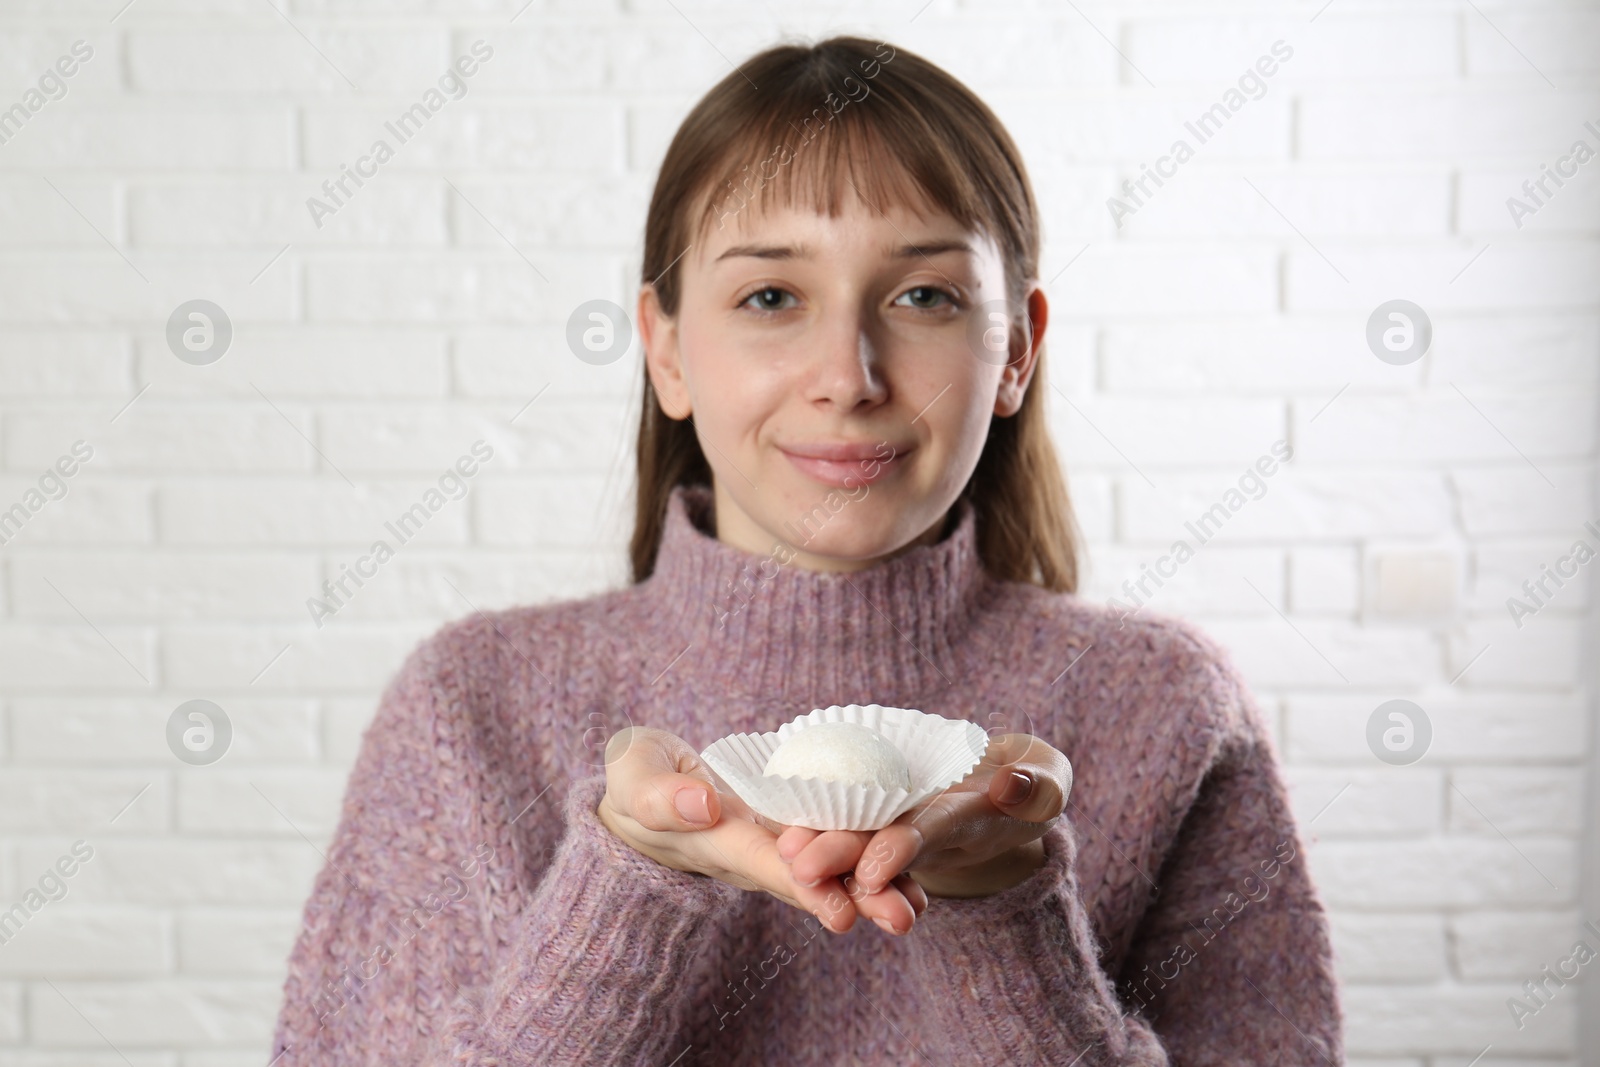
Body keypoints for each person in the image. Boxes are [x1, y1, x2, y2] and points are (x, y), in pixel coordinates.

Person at [269, 34, 1343, 1065]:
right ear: (665, 349)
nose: (848, 373)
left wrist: (1002, 920)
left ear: (1015, 349)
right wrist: (629, 884)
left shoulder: (1162, 705)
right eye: (770, 295)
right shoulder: (471, 707)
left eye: (922, 294)